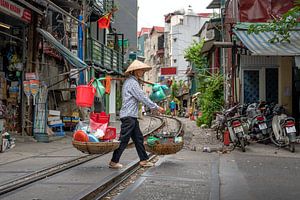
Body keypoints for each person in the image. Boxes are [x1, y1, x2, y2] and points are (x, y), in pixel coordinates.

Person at [109, 60, 165, 169]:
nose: (143, 72)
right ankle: (114, 161)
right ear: (135, 71)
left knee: (138, 138)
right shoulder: (132, 83)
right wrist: (156, 107)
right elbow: (142, 97)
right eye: (141, 70)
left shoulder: (132, 82)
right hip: (129, 116)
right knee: (124, 139)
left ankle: (143, 160)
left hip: (131, 116)